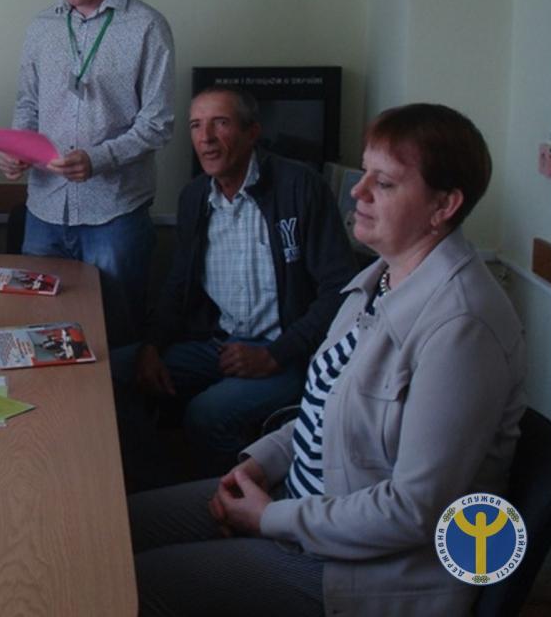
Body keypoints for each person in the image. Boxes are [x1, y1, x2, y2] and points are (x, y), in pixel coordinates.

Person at [129, 103, 526, 616]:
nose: (358, 192)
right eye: (365, 173)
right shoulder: (377, 280)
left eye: (385, 183)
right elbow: (327, 412)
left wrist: (269, 519)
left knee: (129, 582)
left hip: (360, 571)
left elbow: (412, 511)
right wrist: (259, 463)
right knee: (119, 527)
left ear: (444, 205)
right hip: (300, 505)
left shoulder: (463, 327)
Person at [114, 85, 355, 484]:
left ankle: (236, 502)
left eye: (220, 123)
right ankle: (152, 487)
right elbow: (178, 285)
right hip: (217, 346)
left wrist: (276, 354)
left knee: (207, 415)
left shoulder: (300, 187)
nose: (205, 138)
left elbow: (339, 289)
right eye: (196, 125)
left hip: (288, 353)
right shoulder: (195, 198)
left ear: (252, 132)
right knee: (114, 373)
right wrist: (151, 346)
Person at [0, 0, 174, 345]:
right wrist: (18, 147)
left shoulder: (147, 27)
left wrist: (99, 159)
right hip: (44, 210)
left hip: (114, 214)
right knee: (38, 331)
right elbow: (28, 103)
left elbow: (158, 123)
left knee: (115, 335)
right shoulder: (42, 27)